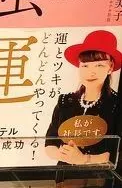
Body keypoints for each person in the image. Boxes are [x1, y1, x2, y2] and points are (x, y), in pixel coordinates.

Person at [45, 30, 121, 165]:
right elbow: (50, 143)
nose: (91, 72)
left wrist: (84, 159)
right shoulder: (65, 101)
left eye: (99, 65)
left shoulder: (117, 104)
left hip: (99, 176)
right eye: (85, 65)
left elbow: (117, 154)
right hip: (64, 173)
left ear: (110, 67)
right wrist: (64, 155)